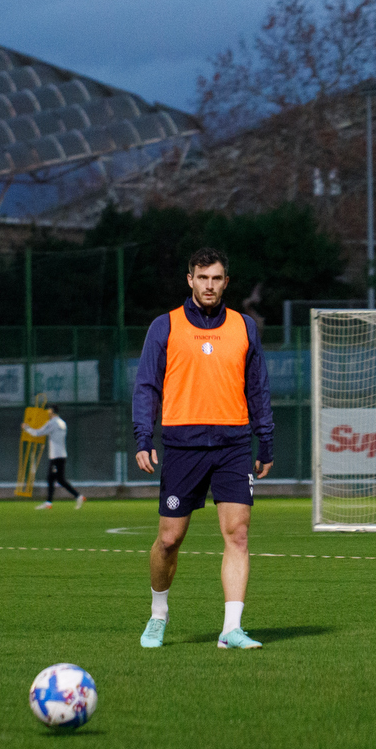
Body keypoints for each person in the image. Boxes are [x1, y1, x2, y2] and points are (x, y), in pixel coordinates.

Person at [132, 247, 274, 651]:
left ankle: (231, 628)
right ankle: (158, 614)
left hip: (233, 444)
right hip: (182, 446)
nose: (209, 285)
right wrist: (144, 437)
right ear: (189, 280)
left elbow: (258, 388)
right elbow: (147, 386)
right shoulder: (165, 326)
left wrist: (266, 440)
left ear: (226, 282)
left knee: (238, 534)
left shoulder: (244, 327)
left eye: (216, 278)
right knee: (169, 540)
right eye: (202, 277)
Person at [24, 405, 83, 510]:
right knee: (58, 479)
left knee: (52, 478)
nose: (47, 412)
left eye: (49, 410)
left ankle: (51, 503)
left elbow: (38, 433)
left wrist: (27, 428)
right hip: (61, 455)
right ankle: (76, 497)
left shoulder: (52, 423)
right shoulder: (62, 423)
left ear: (53, 411)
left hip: (56, 456)